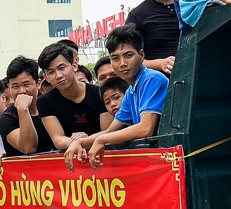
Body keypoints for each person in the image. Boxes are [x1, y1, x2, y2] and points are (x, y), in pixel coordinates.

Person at [66, 26, 169, 169]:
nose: (122, 63)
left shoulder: (151, 79)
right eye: (115, 58)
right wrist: (80, 143)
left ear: (142, 55)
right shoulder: (131, 91)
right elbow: (110, 131)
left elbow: (146, 128)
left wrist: (102, 140)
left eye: (128, 55)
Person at [36, 41, 111, 150]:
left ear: (74, 65)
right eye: (51, 72)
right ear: (46, 77)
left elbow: (107, 134)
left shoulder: (99, 94)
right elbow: (58, 139)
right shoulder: (44, 102)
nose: (58, 76)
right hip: (70, 158)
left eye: (62, 68)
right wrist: (80, 142)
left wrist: (86, 140)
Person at [0, 56, 52, 156]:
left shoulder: (50, 105)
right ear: (9, 88)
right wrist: (23, 109)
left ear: (38, 84)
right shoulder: (7, 118)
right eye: (15, 86)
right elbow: (28, 148)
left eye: (26, 84)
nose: (21, 91)